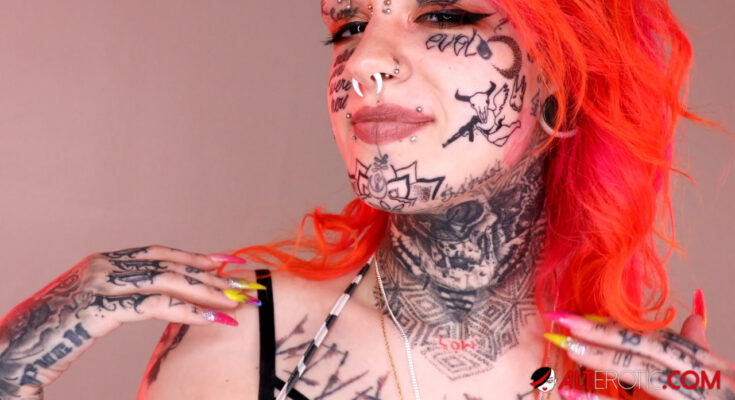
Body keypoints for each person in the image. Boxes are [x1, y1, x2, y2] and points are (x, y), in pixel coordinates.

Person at [1, 0, 733, 399]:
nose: (362, 64)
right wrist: (13, 366)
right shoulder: (244, 338)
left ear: (564, 80)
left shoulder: (627, 386)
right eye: (349, 26)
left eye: (445, 15)